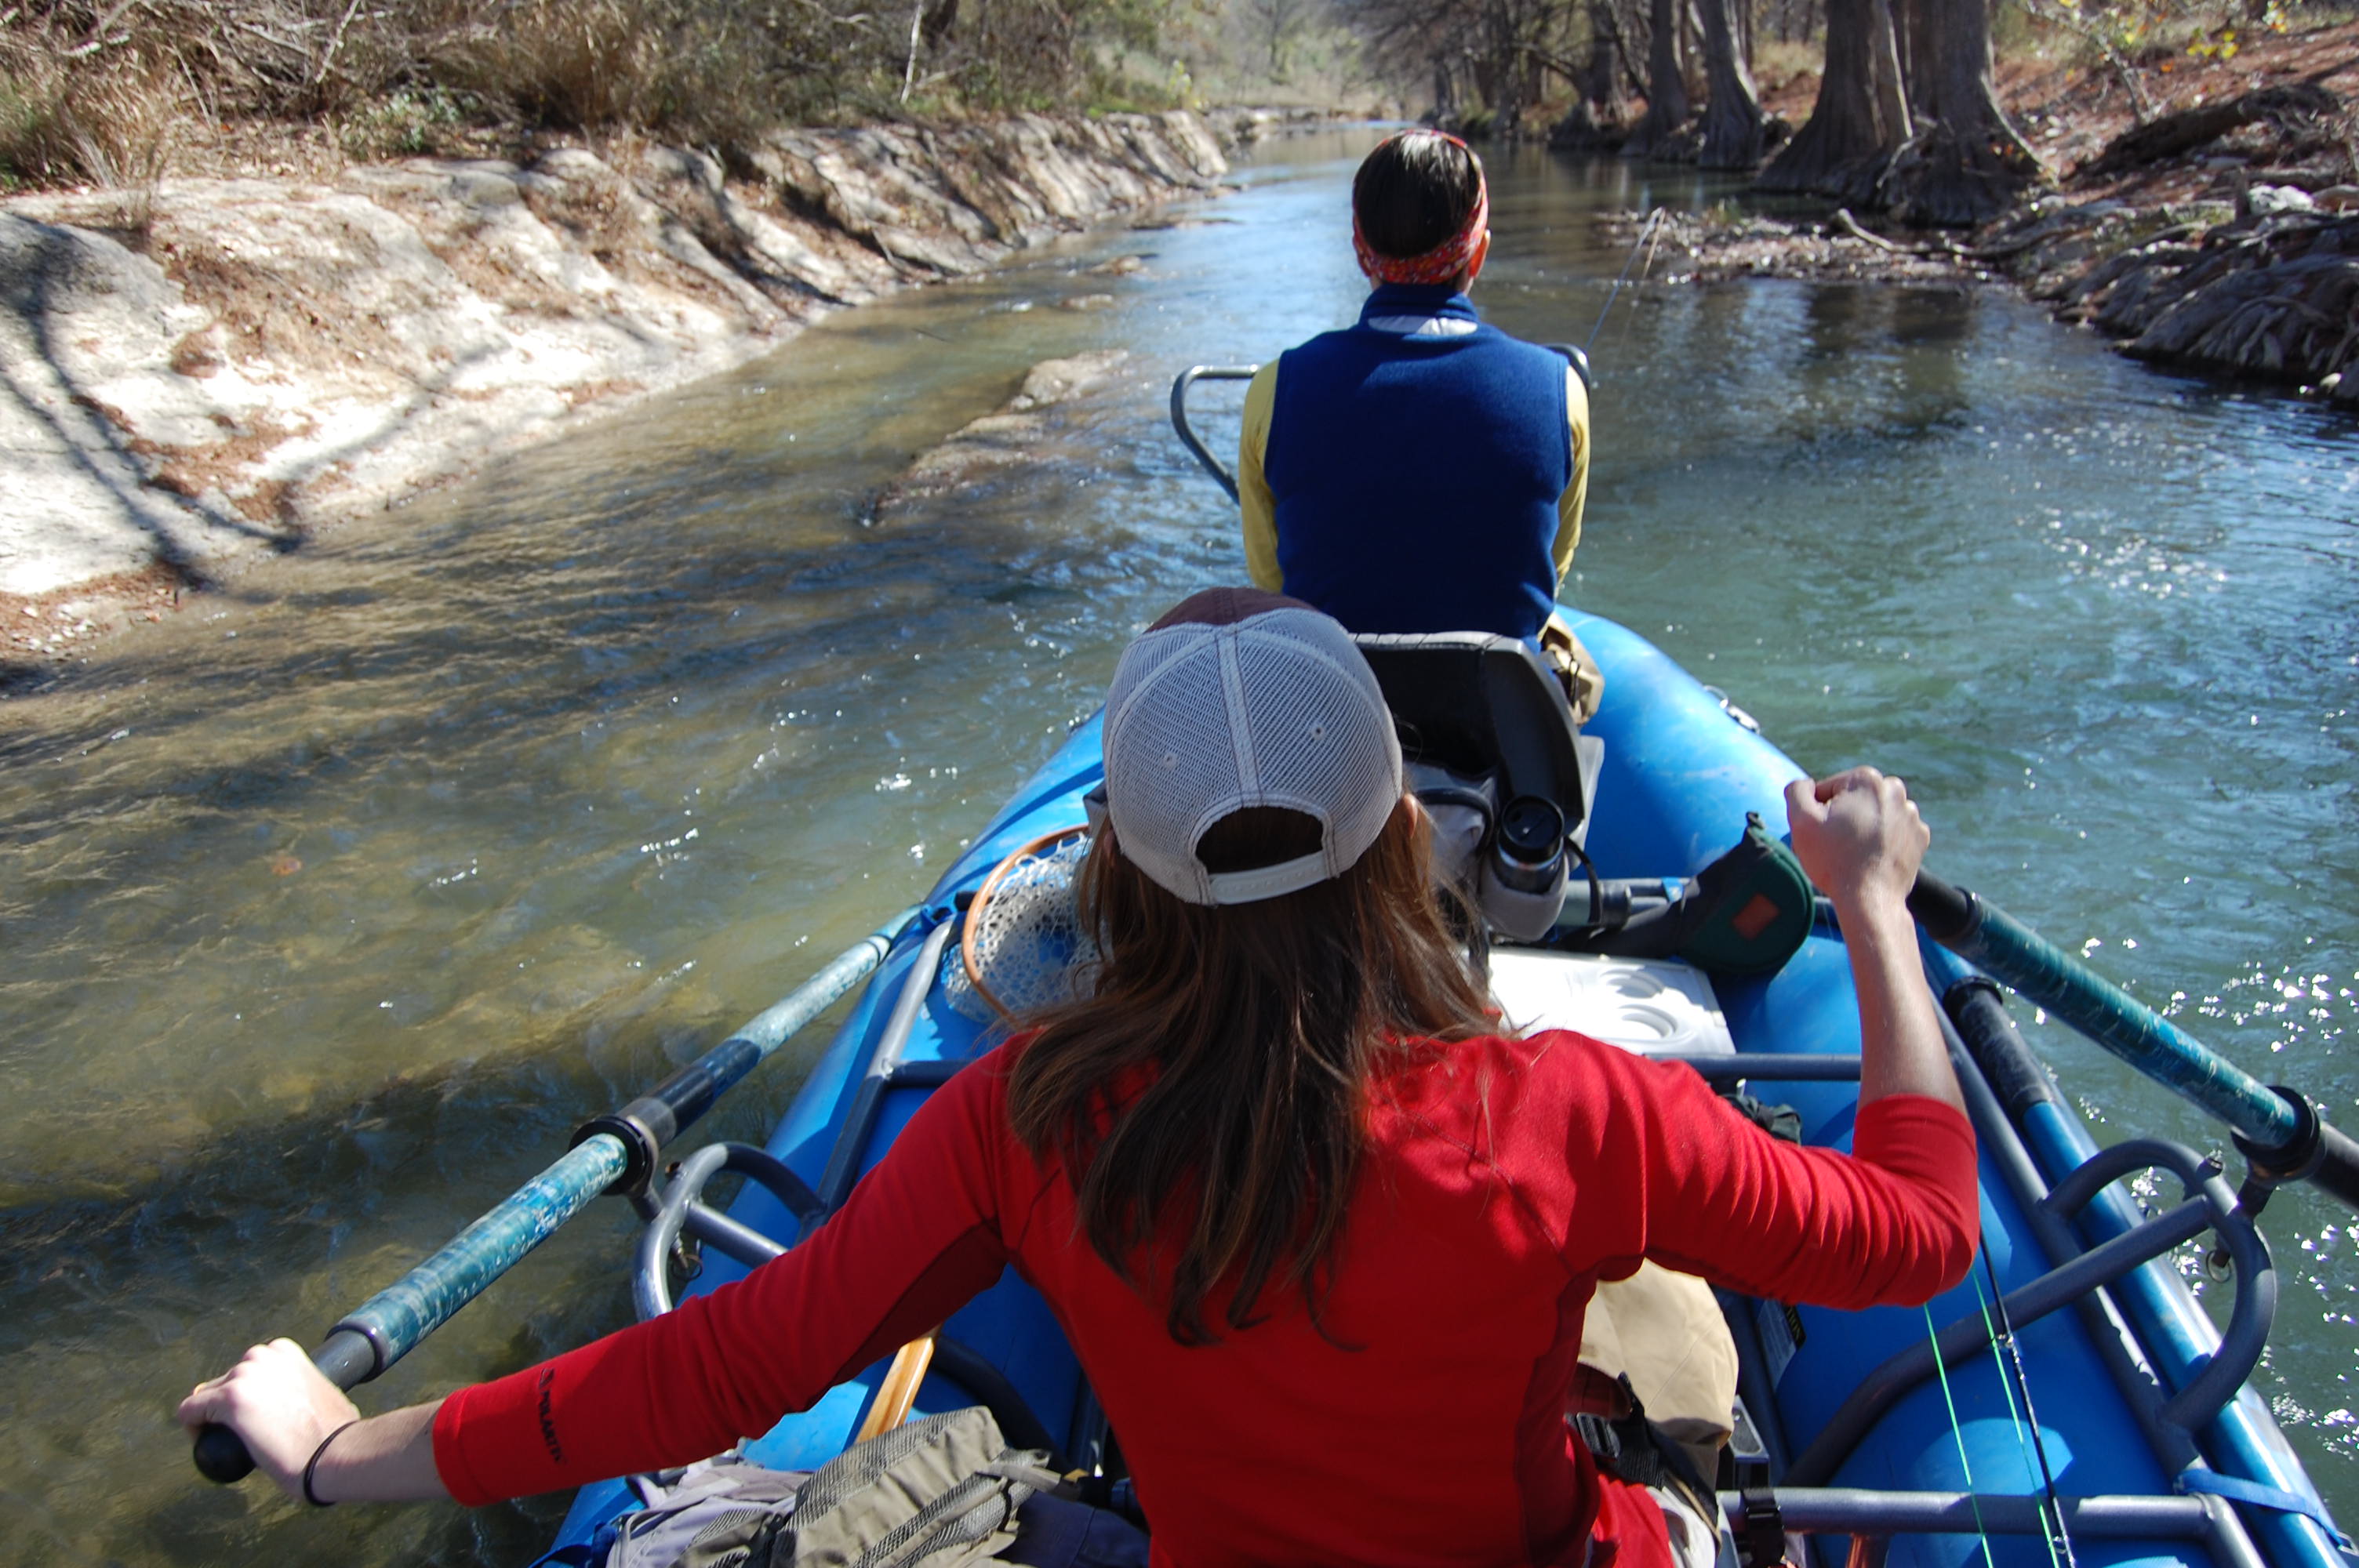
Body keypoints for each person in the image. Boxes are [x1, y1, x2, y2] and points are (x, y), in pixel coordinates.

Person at [181, 588, 1976, 1568]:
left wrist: (341, 1453)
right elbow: (1910, 1232)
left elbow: (733, 1360)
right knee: (1671, 1347)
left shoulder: (1025, 1122)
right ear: (1399, 841)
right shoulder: (1579, 1113)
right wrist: (1866, 906)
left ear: (1113, 859)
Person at [1236, 132, 1599, 714]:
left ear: (1361, 254)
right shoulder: (1562, 391)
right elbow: (1550, 566)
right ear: (1477, 254)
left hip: (1331, 724)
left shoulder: (1274, 391)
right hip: (1501, 728)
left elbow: (1274, 580)